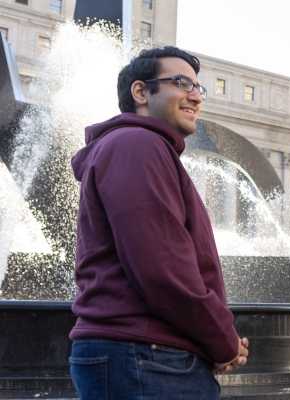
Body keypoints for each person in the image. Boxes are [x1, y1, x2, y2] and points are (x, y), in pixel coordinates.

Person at [68, 46, 248, 399]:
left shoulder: (139, 146)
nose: (195, 96)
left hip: (147, 354)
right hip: (147, 356)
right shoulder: (137, 144)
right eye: (182, 83)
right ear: (141, 92)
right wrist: (223, 339)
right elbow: (163, 269)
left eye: (199, 88)